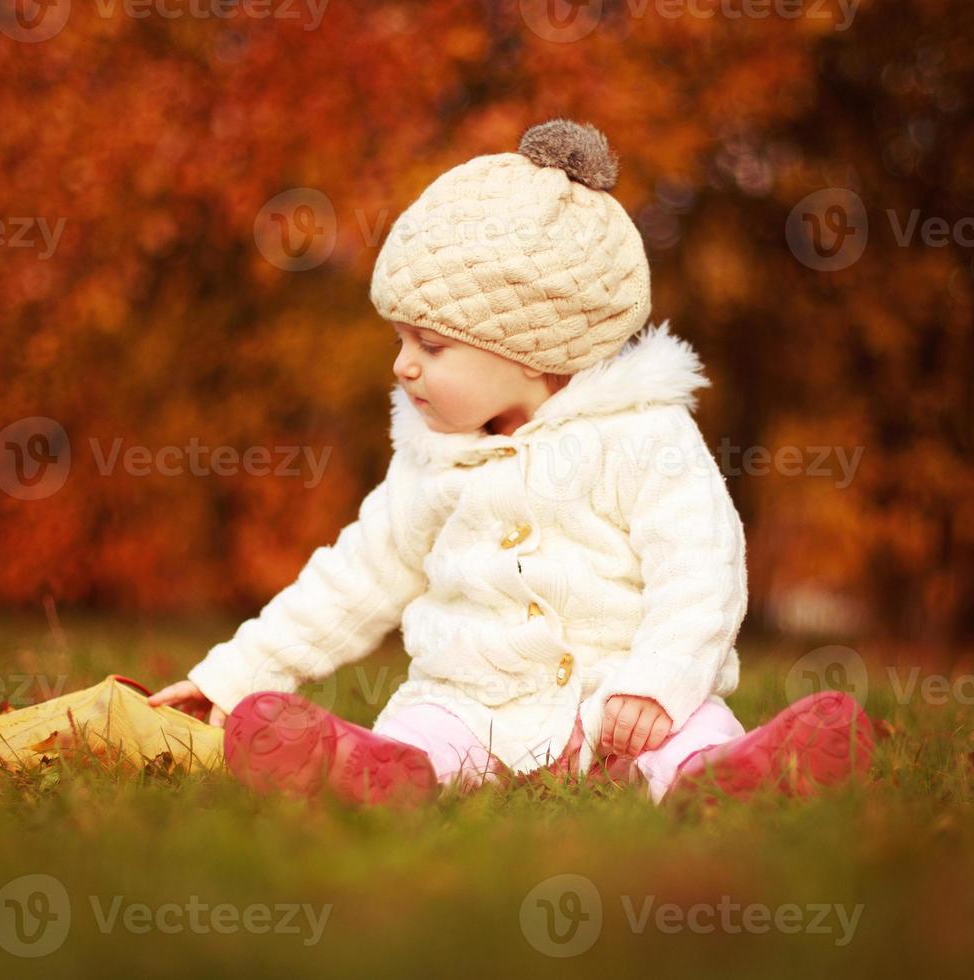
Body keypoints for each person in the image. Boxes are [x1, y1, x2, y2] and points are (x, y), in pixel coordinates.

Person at [141, 118, 876, 807]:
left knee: (687, 739)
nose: (402, 367)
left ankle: (726, 778)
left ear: (535, 350)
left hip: (618, 708)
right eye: (399, 341)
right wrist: (233, 679)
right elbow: (353, 578)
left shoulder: (641, 436)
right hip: (470, 704)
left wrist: (657, 685)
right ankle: (371, 774)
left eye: (430, 346)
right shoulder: (434, 458)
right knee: (423, 738)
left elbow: (700, 570)